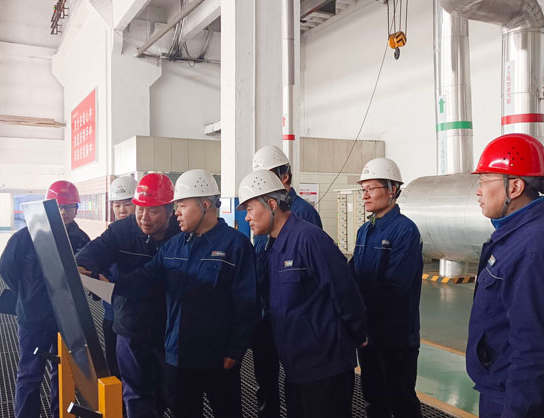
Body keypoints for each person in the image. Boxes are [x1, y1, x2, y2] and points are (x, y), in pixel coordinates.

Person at [111, 169, 259, 418]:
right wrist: (110, 284)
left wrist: (235, 350)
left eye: (181, 205)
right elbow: (146, 279)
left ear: (205, 205)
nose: (176, 212)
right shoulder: (174, 246)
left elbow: (247, 303)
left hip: (218, 358)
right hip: (178, 357)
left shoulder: (236, 246)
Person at [468, 133, 544, 418]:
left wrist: (516, 411)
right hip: (508, 389)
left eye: (484, 181)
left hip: (515, 400)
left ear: (515, 186)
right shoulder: (526, 234)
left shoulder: (535, 247)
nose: (478, 191)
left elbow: (536, 349)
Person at [238, 169, 367, 418]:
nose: (247, 218)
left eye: (251, 209)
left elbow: (344, 290)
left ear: (272, 204)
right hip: (296, 367)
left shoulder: (309, 239)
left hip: (325, 366)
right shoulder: (274, 247)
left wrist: (359, 333)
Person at [75, 173, 179, 418]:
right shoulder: (122, 231)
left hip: (170, 328)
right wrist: (81, 265)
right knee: (134, 391)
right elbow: (95, 250)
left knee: (171, 392)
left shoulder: (182, 233)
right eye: (140, 209)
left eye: (153, 211)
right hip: (131, 325)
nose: (144, 217)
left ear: (170, 210)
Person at [0, 180, 90, 418]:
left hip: (68, 320)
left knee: (64, 374)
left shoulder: (81, 240)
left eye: (69, 206)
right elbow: (7, 269)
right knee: (30, 373)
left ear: (77, 209)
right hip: (34, 319)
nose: (64, 212)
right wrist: (28, 295)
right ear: (47, 207)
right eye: (58, 206)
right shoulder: (26, 236)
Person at [250, 145, 323, 418]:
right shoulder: (260, 211)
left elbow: (316, 271)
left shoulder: (304, 213)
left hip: (295, 315)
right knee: (264, 380)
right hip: (265, 314)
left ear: (285, 177)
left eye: (268, 177)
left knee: (298, 381)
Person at [349, 158, 423, 418]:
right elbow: (352, 273)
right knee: (374, 399)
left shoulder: (405, 231)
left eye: (371, 188)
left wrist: (356, 308)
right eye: (363, 189)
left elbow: (395, 287)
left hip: (396, 337)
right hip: (368, 334)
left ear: (392, 189)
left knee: (401, 401)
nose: (365, 195)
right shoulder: (364, 231)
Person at [101, 176, 137, 381]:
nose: (122, 210)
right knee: (114, 368)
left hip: (138, 319)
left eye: (127, 204)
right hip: (112, 314)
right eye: (117, 205)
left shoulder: (147, 235)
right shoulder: (110, 236)